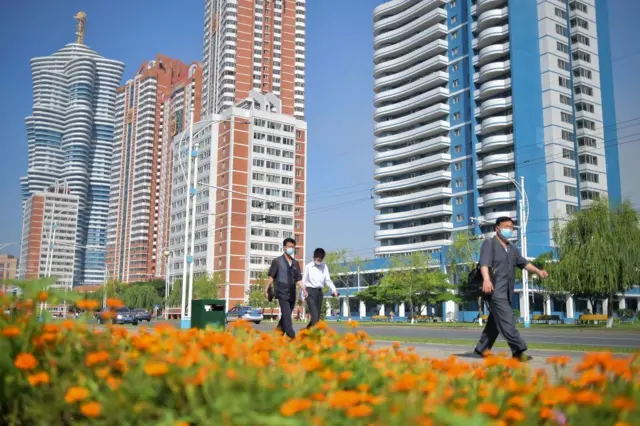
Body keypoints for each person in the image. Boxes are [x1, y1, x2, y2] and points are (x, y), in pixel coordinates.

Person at [474, 216, 549, 361]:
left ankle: (481, 348)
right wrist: (487, 280)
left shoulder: (512, 248)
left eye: (511, 227)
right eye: (506, 226)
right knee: (508, 320)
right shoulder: (489, 243)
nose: (509, 229)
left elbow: (524, 263)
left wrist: (538, 271)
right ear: (497, 229)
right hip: (495, 291)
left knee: (495, 322)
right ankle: (518, 351)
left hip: (507, 292)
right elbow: (484, 264)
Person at [265, 238, 306, 339]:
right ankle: (293, 339)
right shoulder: (277, 261)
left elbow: (298, 279)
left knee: (284, 318)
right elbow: (271, 277)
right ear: (284, 248)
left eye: (293, 247)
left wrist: (305, 290)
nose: (291, 249)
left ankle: (275, 338)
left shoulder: (296, 263)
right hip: (282, 293)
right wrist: (266, 289)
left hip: (292, 294)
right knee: (288, 320)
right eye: (289, 247)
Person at [302, 248, 338, 329]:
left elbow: (327, 280)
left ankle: (304, 333)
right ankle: (314, 337)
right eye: (318, 259)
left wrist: (334, 289)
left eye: (321, 259)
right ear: (314, 257)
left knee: (316, 317)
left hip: (319, 293)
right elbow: (303, 282)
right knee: (314, 315)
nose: (319, 261)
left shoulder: (324, 266)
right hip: (309, 292)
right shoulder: (308, 267)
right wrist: (302, 295)